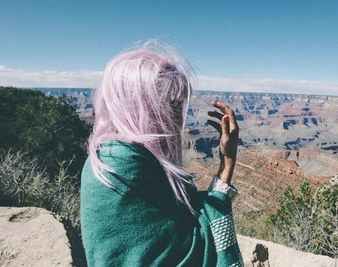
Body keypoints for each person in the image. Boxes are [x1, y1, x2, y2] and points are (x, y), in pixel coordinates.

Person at [80, 40, 244, 267]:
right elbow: (191, 247)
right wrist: (227, 163)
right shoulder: (122, 165)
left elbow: (178, 231)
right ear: (139, 105)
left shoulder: (108, 158)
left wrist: (227, 161)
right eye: (168, 105)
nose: (177, 118)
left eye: (178, 106)